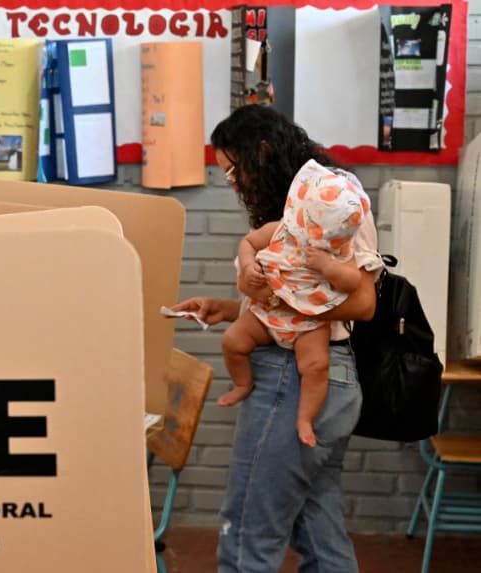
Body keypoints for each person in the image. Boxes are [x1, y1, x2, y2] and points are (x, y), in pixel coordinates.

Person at [170, 104, 383, 573]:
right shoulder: (286, 209)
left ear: (261, 153)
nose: (233, 183)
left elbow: (363, 304)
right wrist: (230, 308)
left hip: (298, 376)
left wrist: (276, 302)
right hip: (315, 375)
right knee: (320, 533)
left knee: (248, 533)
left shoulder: (332, 204)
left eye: (233, 170)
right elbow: (286, 297)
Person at [218, 159, 372, 448]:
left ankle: (305, 418)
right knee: (232, 341)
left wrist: (328, 266)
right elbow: (248, 243)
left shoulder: (340, 251)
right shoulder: (281, 229)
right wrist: (249, 265)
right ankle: (243, 383)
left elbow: (352, 282)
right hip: (265, 314)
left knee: (316, 366)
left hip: (309, 324)